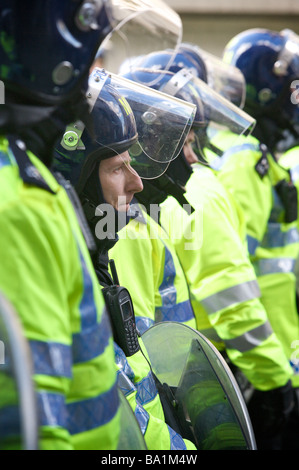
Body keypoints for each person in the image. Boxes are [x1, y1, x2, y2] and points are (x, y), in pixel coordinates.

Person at [0, 0, 167, 451]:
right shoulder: (19, 205)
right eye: (118, 168)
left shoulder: (39, 196)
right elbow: (35, 426)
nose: (137, 184)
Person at [120, 54, 296, 449]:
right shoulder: (193, 196)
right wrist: (273, 380)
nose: (193, 155)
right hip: (195, 379)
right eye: (184, 140)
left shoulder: (139, 207)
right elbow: (228, 293)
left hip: (174, 384)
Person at [54, 68, 197, 450]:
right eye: (118, 168)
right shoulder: (58, 280)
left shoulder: (90, 261)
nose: (137, 183)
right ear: (73, 187)